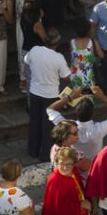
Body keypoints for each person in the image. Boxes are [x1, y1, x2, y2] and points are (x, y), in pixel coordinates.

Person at [25, 28, 71, 161]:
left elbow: (27, 60)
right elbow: (66, 77)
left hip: (34, 92)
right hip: (50, 96)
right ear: (57, 42)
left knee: (34, 122)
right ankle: (45, 154)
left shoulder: (34, 50)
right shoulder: (58, 58)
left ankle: (32, 150)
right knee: (48, 126)